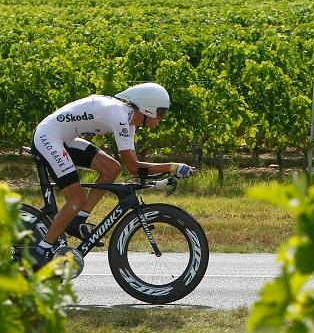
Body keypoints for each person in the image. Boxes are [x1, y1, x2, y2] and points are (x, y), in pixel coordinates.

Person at [30, 82, 196, 269]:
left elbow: (132, 167)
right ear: (148, 108)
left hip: (63, 138)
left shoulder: (128, 121)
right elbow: (134, 167)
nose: (161, 119)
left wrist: (168, 170)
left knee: (111, 168)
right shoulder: (119, 116)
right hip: (48, 136)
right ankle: (41, 252)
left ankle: (77, 221)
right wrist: (172, 167)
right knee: (75, 199)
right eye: (161, 113)